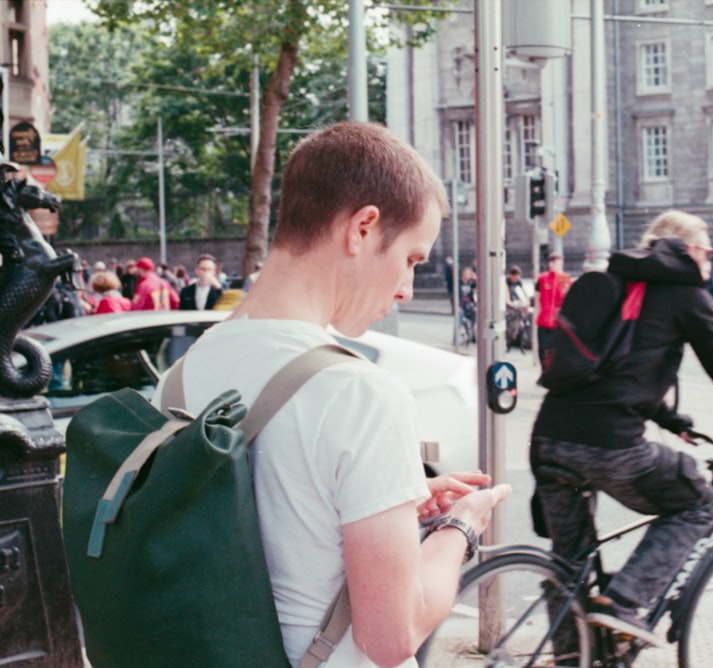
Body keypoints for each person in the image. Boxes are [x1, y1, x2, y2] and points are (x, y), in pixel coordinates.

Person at [151, 121, 510, 667]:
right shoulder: (359, 392)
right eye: (412, 259)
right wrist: (462, 526)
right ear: (363, 228)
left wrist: (392, 499)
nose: (407, 289)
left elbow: (266, 521)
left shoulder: (182, 372)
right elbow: (392, 636)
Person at [529, 209, 713, 651]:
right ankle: (623, 601)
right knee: (698, 502)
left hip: (548, 438)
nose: (710, 261)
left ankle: (573, 659)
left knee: (570, 568)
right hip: (608, 444)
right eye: (709, 251)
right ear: (690, 250)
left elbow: (612, 369)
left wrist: (670, 419)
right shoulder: (683, 292)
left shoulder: (620, 281)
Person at [535, 252, 572, 363]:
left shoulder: (566, 280)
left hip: (558, 322)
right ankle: (544, 372)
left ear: (561, 263)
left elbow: (568, 302)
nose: (551, 265)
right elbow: (537, 298)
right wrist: (536, 314)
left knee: (556, 351)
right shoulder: (542, 279)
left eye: (554, 262)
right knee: (543, 349)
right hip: (544, 320)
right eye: (550, 262)